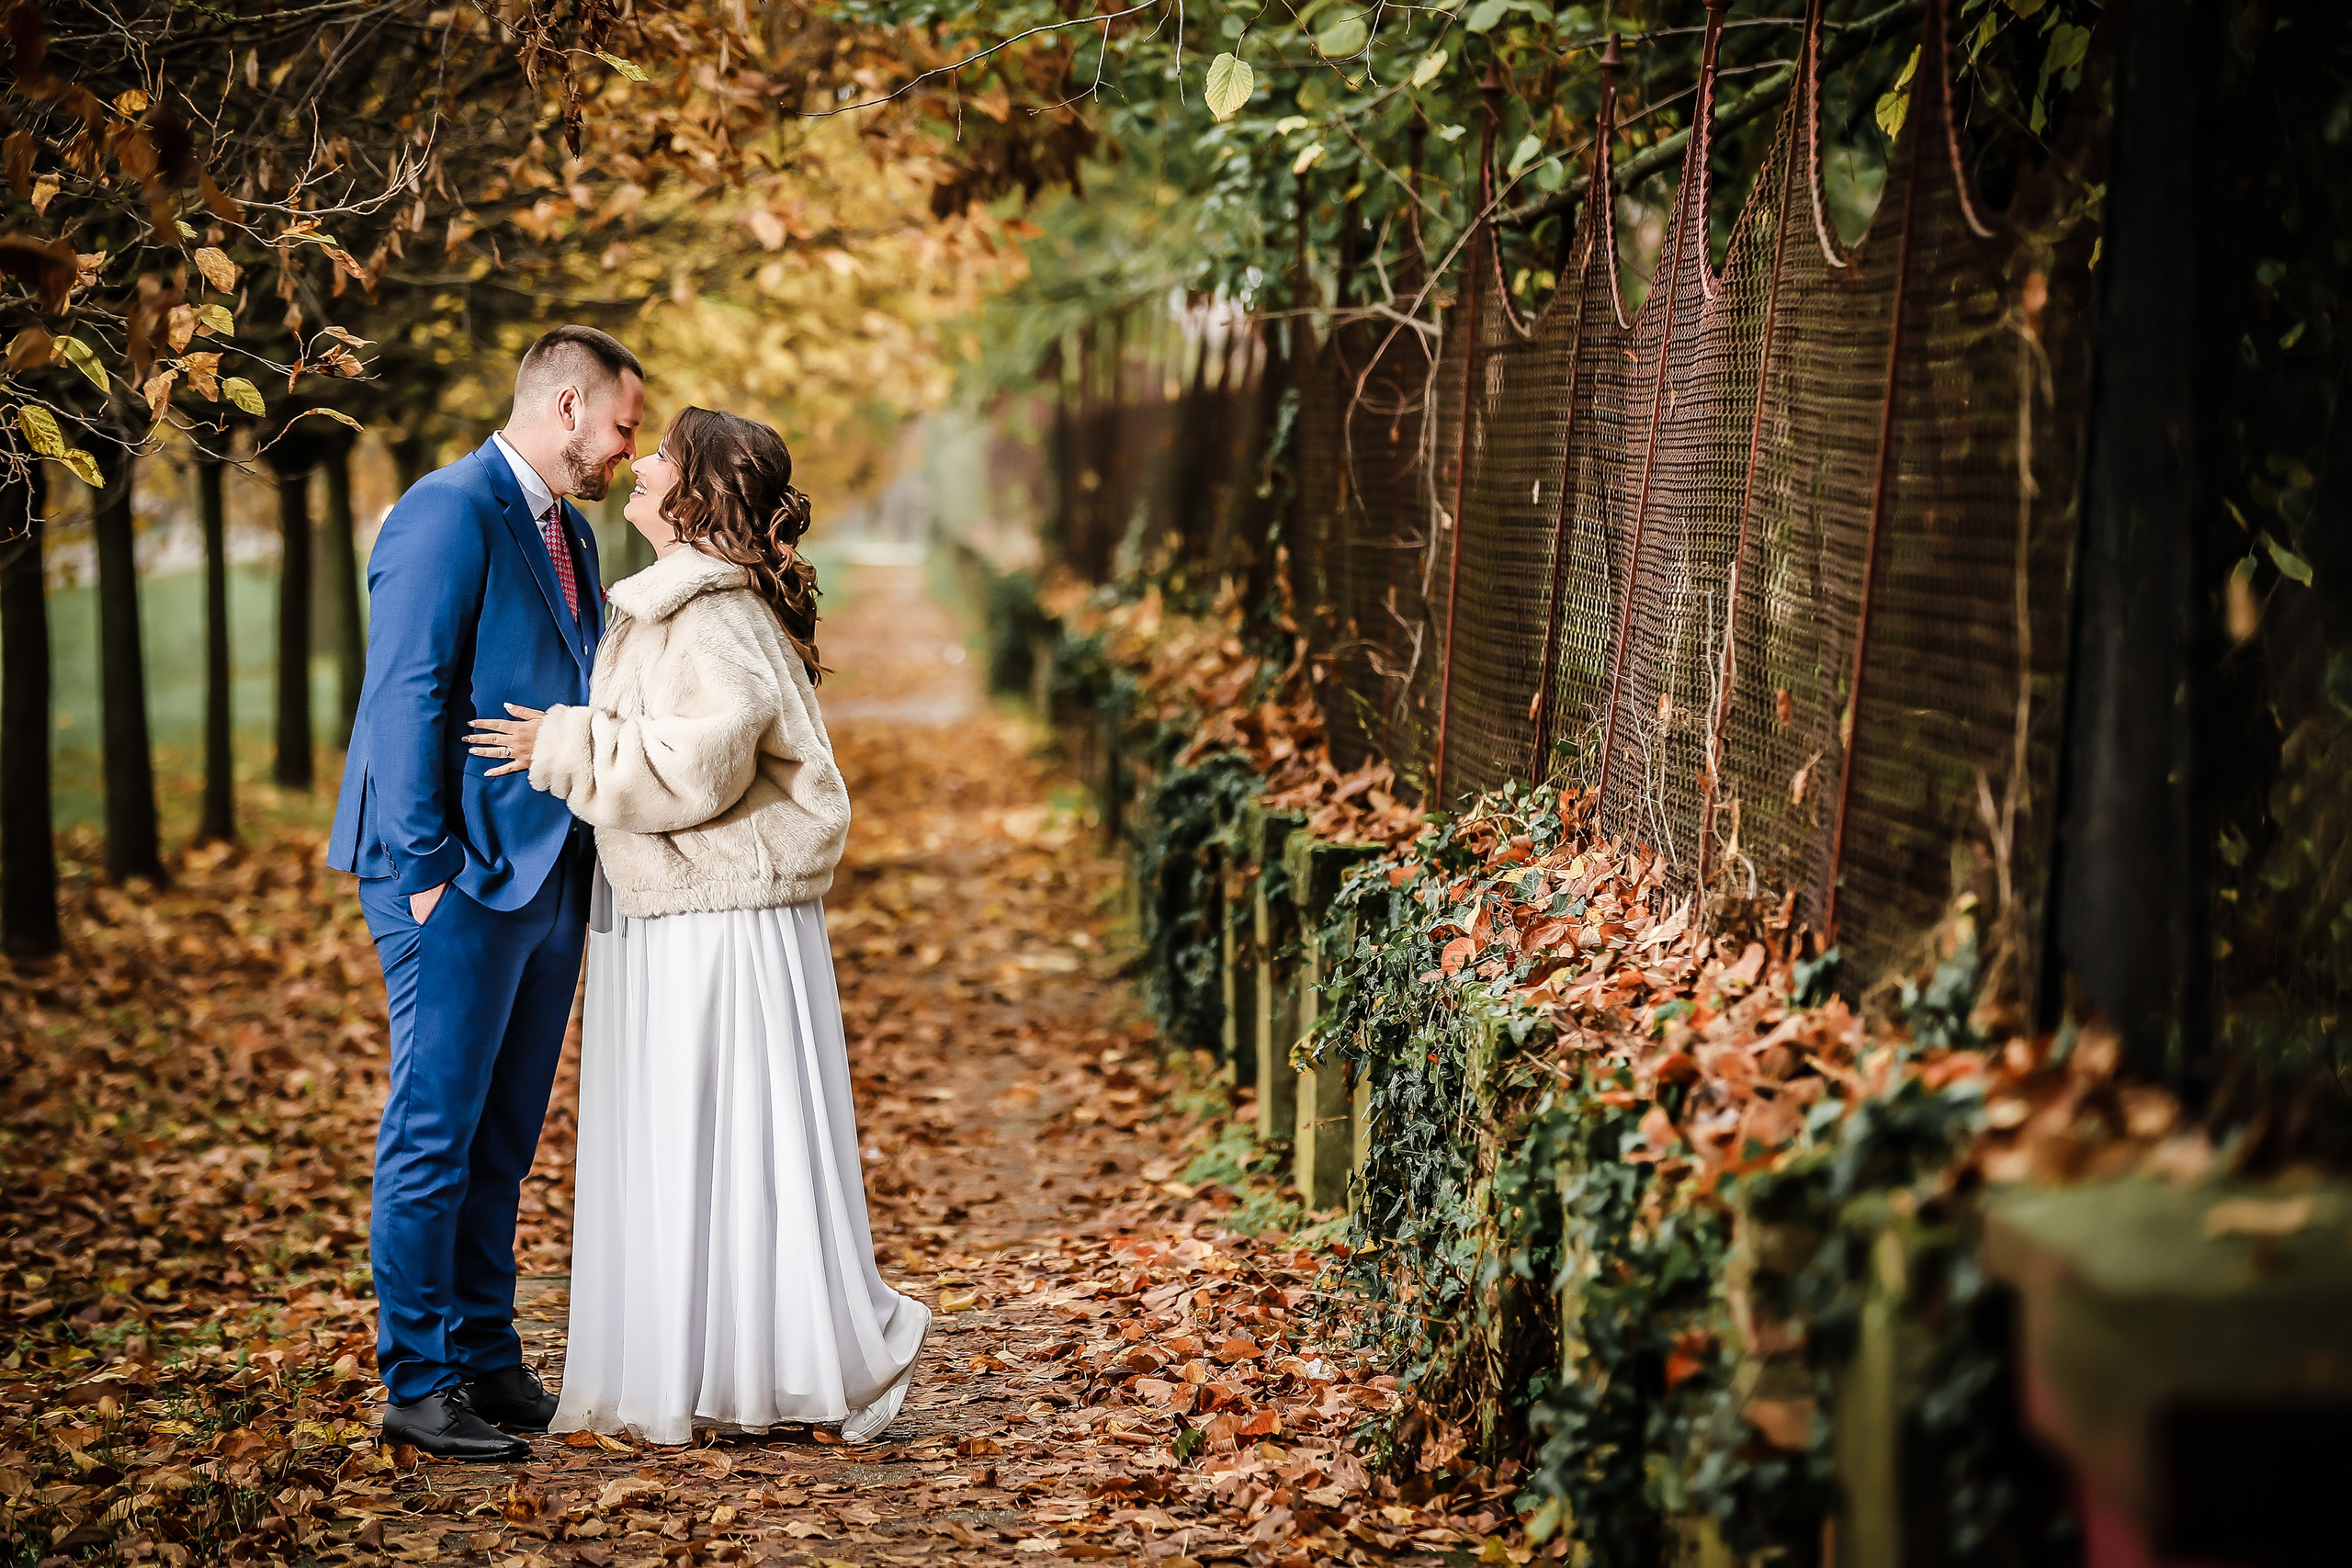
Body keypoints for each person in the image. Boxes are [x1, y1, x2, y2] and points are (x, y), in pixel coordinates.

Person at [465, 407, 928, 1447]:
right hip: (687, 905)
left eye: (663, 454)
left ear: (699, 493)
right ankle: (733, 1365)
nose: (639, 464)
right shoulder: (687, 598)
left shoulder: (706, 609)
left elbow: (702, 765)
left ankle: (774, 1362)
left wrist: (567, 745)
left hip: (716, 919)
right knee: (704, 1138)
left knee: (719, 1134)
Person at [328, 326, 643, 1462]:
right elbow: (405, 692)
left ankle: (486, 1355)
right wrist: (424, 871)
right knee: (435, 1128)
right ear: (567, 407)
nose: (628, 449)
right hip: (453, 872)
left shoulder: (574, 531)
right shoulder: (445, 511)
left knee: (503, 1134)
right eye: (622, 427)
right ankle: (418, 1383)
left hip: (549, 867)